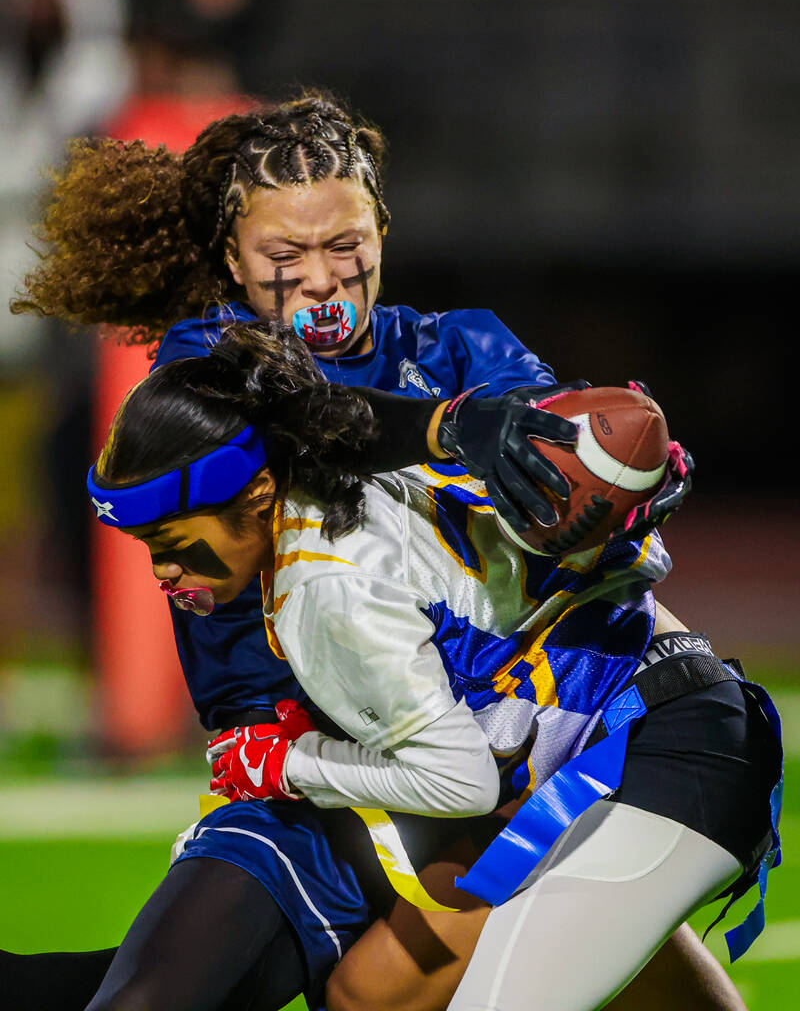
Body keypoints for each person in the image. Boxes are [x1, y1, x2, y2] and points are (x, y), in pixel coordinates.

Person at [7, 93, 739, 1011]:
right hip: (302, 771)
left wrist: (622, 484)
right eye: (284, 255)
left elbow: (566, 468)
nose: (321, 277)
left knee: (387, 986)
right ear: (231, 260)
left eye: (346, 244)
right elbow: (299, 416)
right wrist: (446, 426)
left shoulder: (465, 348)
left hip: (481, 750)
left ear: (383, 229)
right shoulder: (207, 366)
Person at [85, 317, 782, 1011]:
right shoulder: (350, 475)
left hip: (662, 752)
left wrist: (286, 762)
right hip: (624, 731)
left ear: (259, 492)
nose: (164, 572)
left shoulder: (322, 588)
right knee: (372, 995)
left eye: (171, 539)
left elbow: (463, 783)